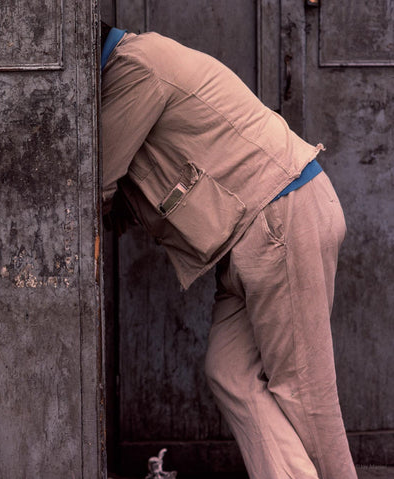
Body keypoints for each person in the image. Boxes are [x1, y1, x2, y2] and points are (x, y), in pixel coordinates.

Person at [100, 23, 356, 479]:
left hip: (279, 219)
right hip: (255, 234)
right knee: (230, 373)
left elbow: (94, 180)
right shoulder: (141, 61)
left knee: (304, 393)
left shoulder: (132, 68)